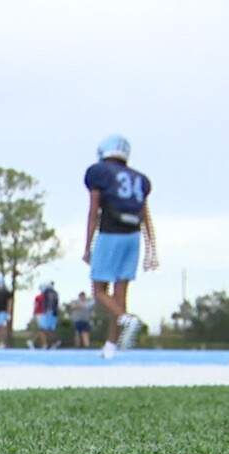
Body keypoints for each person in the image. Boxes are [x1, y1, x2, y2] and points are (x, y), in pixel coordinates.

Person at [83, 134, 156, 359]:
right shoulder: (140, 179)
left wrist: (88, 246)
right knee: (119, 295)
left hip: (110, 234)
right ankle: (111, 347)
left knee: (99, 291)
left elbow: (94, 211)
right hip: (133, 237)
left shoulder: (99, 172)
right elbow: (145, 216)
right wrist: (152, 247)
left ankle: (127, 320)